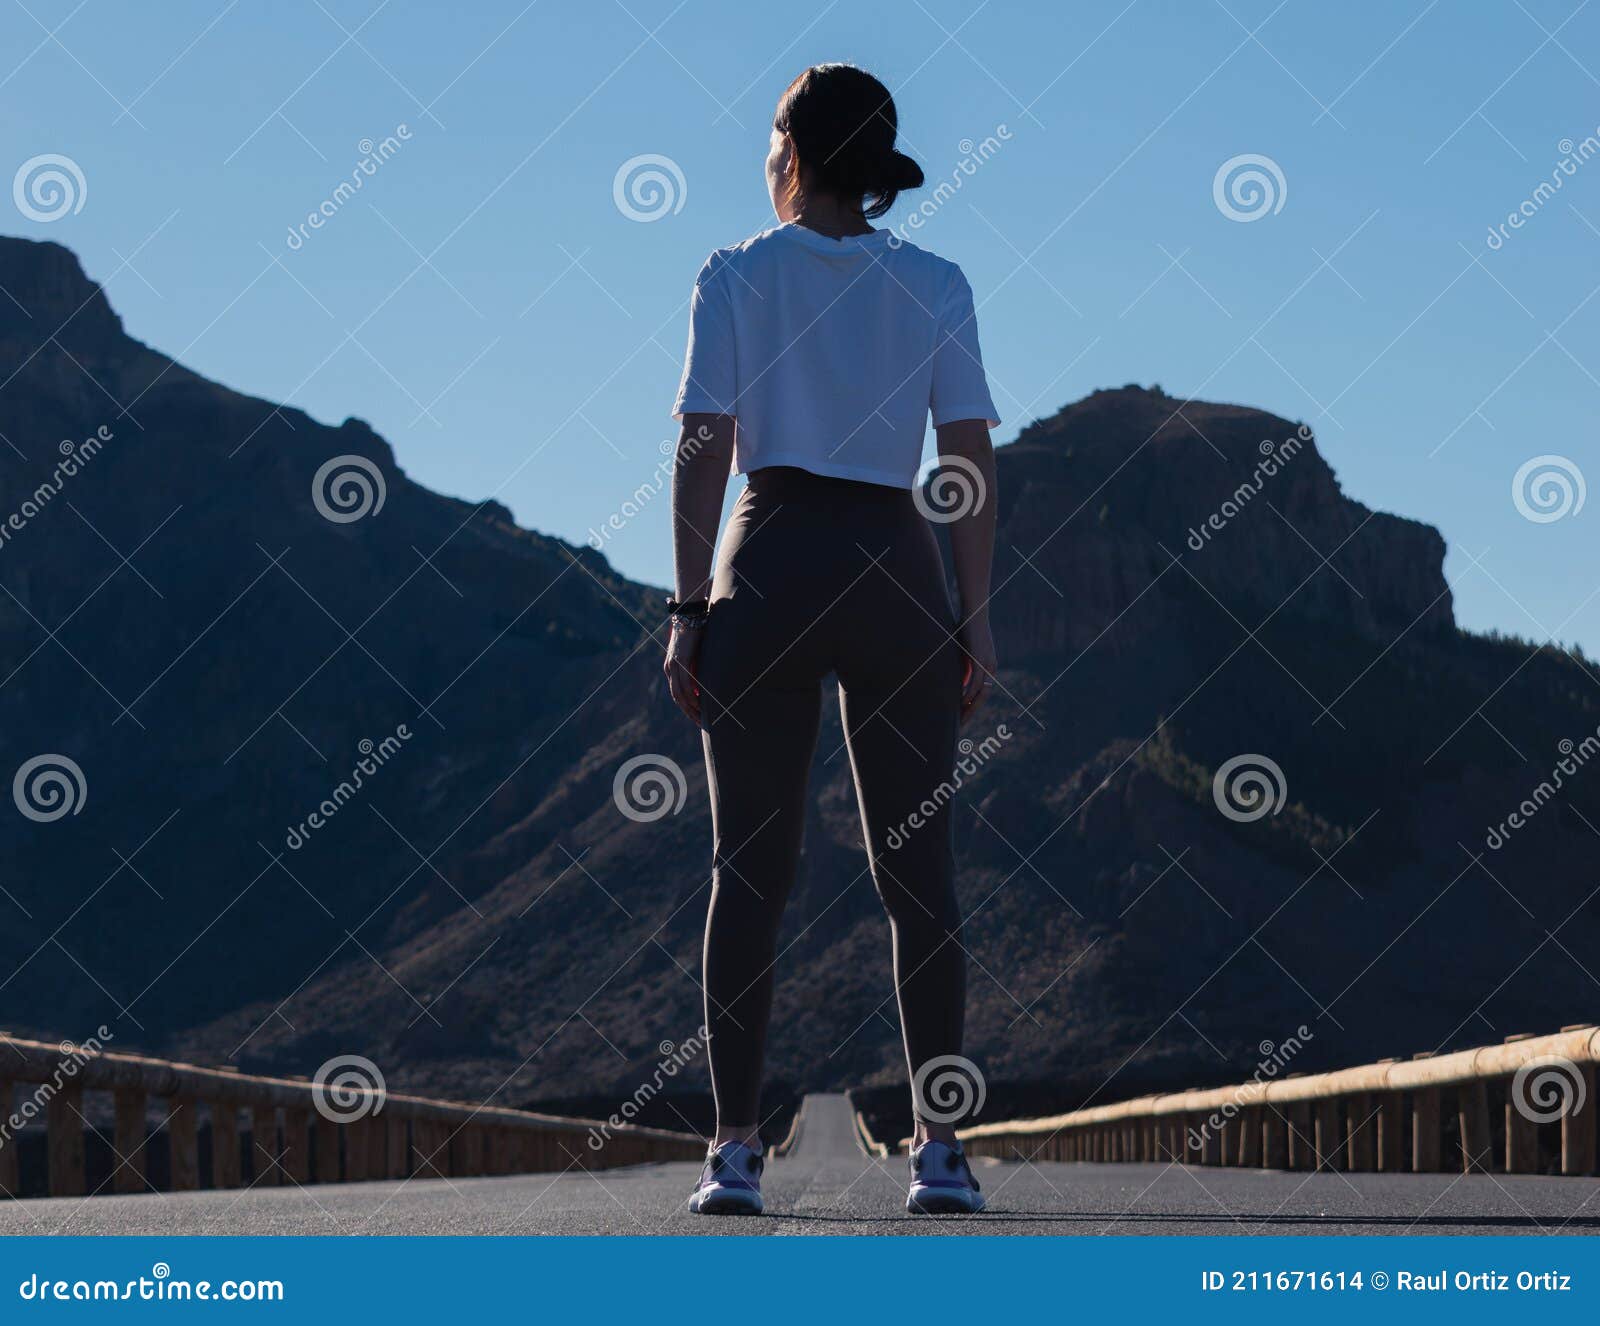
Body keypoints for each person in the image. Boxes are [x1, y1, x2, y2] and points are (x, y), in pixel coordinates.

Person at [665, 63, 999, 1217]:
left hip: (766, 563)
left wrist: (687, 610)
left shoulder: (733, 275)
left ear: (792, 152)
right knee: (921, 878)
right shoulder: (936, 283)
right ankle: (941, 1153)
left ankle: (733, 1154)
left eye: (767, 137)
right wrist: (974, 618)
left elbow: (704, 445)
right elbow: (963, 462)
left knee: (747, 874)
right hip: (893, 569)